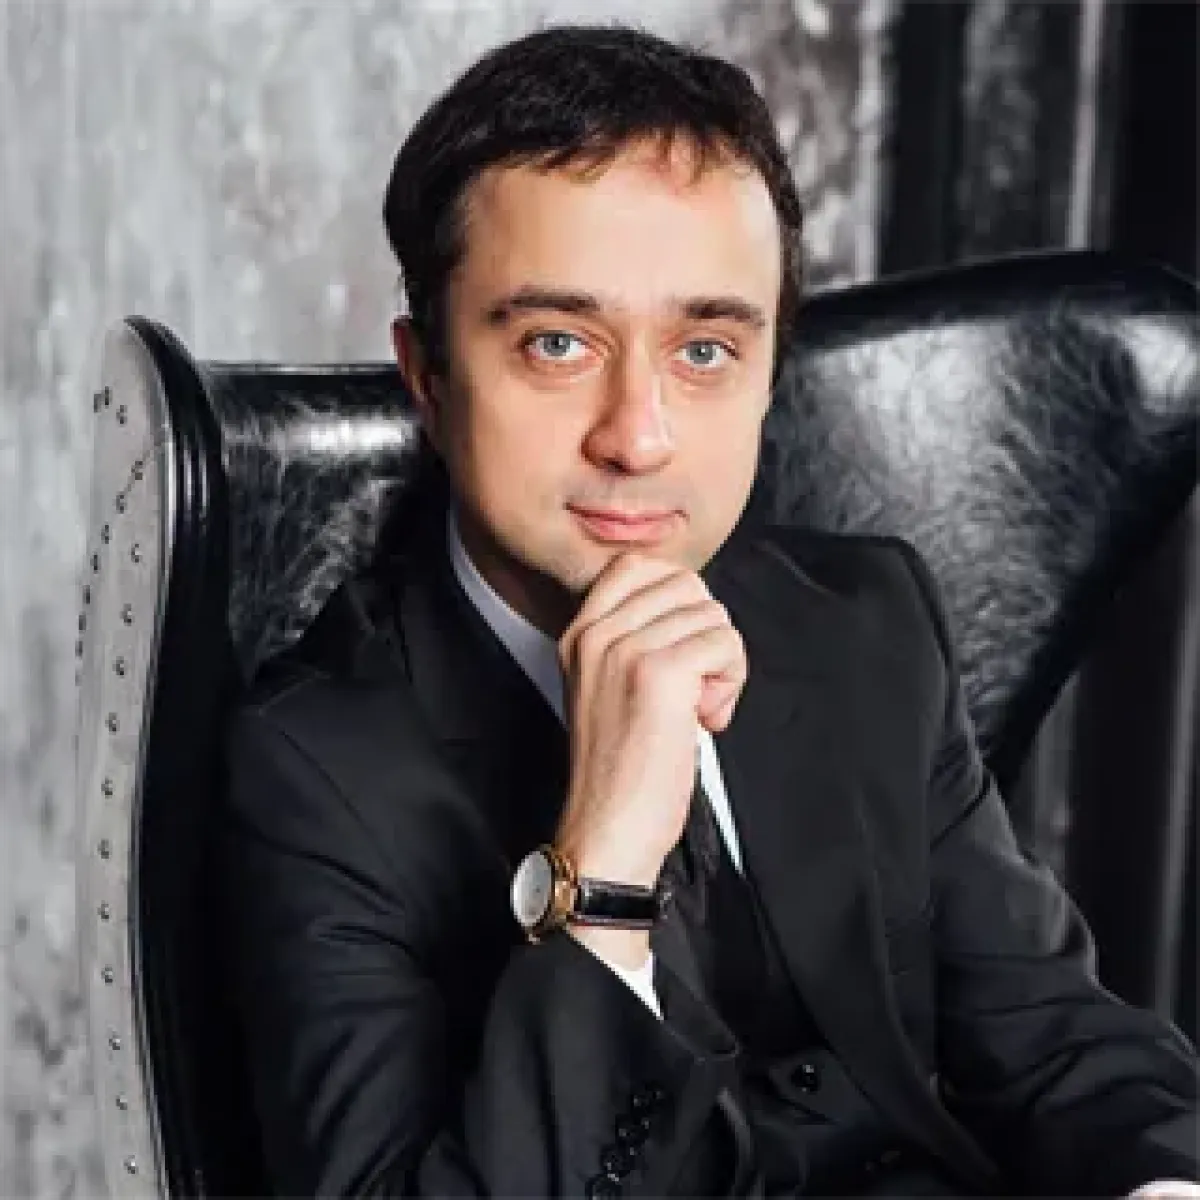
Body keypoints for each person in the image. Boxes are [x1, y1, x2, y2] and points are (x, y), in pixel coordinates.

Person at [218, 23, 1200, 1199]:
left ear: (770, 369)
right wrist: (604, 871)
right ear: (428, 377)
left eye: (704, 350)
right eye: (558, 343)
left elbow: (1060, 1044)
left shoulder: (867, 622)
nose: (638, 436)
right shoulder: (312, 771)